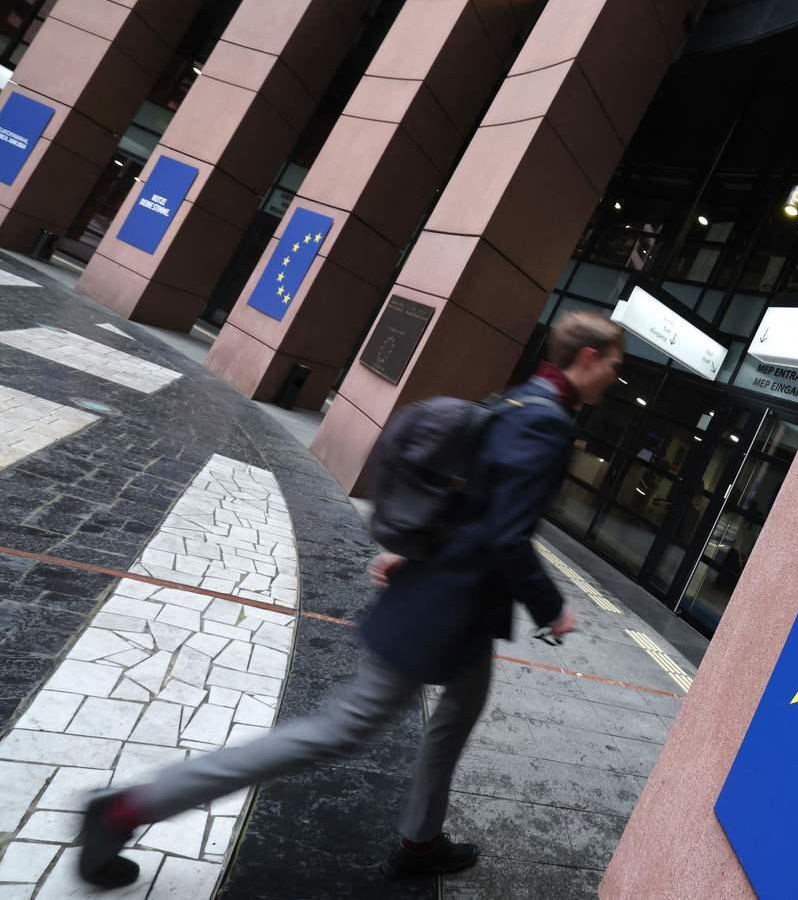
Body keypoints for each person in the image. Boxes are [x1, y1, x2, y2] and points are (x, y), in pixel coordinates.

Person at [78, 312, 625, 888]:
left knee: (459, 710)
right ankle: (126, 808)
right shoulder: (546, 423)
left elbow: (471, 504)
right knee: (342, 728)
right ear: (587, 356)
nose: (614, 377)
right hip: (445, 608)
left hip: (461, 604)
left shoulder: (518, 402)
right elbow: (505, 534)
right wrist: (551, 608)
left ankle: (420, 840)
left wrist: (415, 552)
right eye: (613, 365)